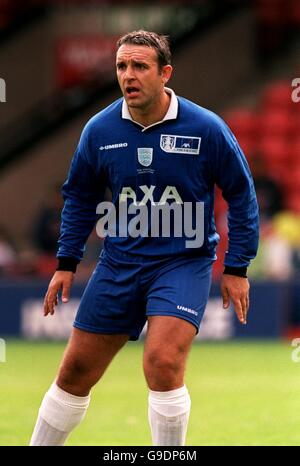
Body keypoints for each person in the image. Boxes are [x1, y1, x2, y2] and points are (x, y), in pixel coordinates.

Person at [29, 30, 259, 446]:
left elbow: (242, 195)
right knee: (75, 372)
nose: (128, 75)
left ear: (165, 73)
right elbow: (80, 196)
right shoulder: (99, 130)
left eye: (139, 66)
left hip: (183, 262)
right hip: (119, 262)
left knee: (162, 361)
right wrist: (66, 262)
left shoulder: (206, 128)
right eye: (121, 66)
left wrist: (237, 266)